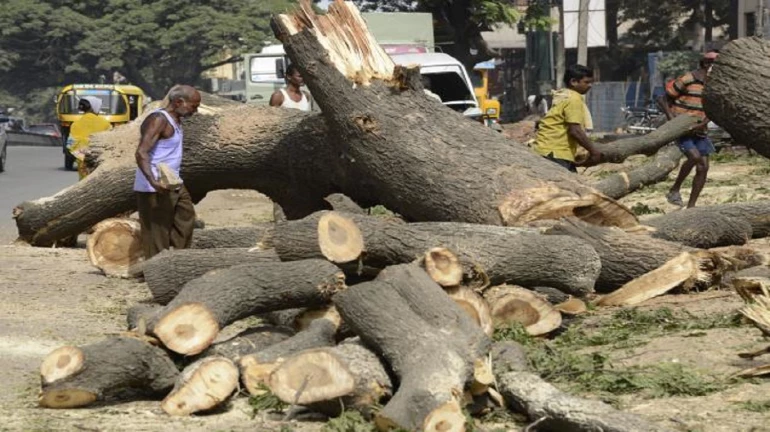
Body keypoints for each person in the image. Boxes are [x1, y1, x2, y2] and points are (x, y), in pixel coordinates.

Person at [133, 85, 200, 259]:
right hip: (155, 186)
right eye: (193, 106)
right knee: (157, 233)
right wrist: (153, 181)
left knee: (186, 218)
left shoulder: (175, 120)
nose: (196, 111)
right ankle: (156, 271)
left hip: (174, 182)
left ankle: (176, 262)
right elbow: (141, 152)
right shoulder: (158, 120)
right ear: (179, 102)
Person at [657, 51, 719, 208]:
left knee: (703, 167)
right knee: (695, 157)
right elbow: (663, 98)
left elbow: (715, 108)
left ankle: (691, 206)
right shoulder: (688, 78)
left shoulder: (716, 84)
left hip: (699, 129)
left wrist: (704, 123)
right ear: (706, 64)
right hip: (682, 128)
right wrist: (673, 121)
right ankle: (674, 189)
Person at [532, 65, 601, 172]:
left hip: (546, 150)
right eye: (587, 82)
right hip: (556, 153)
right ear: (573, 81)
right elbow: (575, 130)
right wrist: (594, 151)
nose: (590, 85)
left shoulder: (563, 95)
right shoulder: (574, 99)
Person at [67, 96, 112, 179]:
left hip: (83, 162)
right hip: (100, 162)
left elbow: (71, 144)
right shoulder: (105, 123)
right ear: (94, 106)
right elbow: (111, 143)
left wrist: (83, 156)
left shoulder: (75, 124)